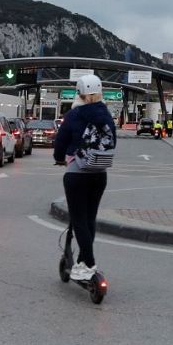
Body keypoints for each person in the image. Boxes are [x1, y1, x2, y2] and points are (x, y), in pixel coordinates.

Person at [55, 74, 118, 281]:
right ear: (100, 92)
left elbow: (61, 141)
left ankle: (89, 263)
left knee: (78, 219)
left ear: (79, 93)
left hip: (77, 173)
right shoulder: (106, 115)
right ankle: (82, 262)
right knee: (90, 219)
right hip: (99, 173)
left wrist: (58, 158)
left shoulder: (74, 115)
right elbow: (113, 141)